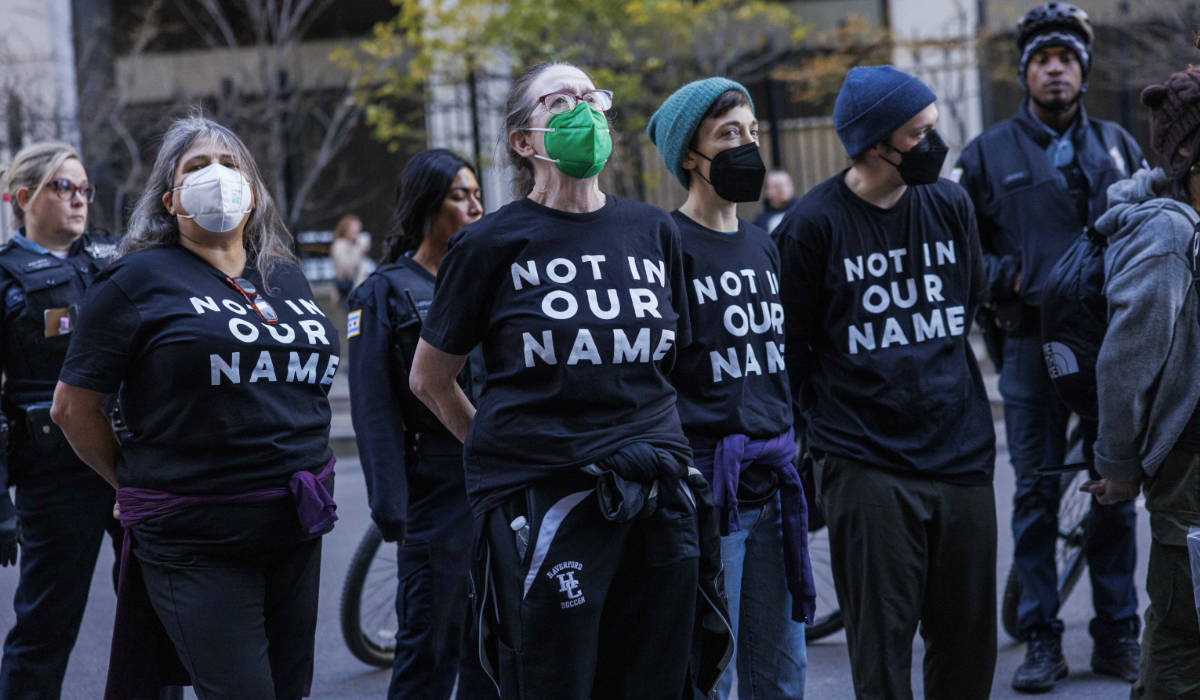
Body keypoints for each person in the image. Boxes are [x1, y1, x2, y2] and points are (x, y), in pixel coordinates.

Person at [408, 61, 727, 699]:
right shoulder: (490, 243)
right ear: (524, 142)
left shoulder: (652, 230)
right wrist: (506, 450)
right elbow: (430, 379)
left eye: (591, 97)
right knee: (557, 680)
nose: (583, 110)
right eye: (558, 101)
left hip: (656, 497)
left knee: (660, 678)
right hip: (549, 503)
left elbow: (669, 363)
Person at [50, 114, 340, 700]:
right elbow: (72, 409)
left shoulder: (283, 275)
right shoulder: (134, 280)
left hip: (293, 526)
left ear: (253, 191)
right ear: (170, 198)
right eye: (196, 167)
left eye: (230, 166)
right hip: (195, 537)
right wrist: (135, 483)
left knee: (289, 690)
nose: (217, 176)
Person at [776, 65, 997, 699]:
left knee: (966, 648)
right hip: (866, 462)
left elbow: (968, 304)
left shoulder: (950, 203)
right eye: (920, 132)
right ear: (877, 144)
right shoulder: (813, 224)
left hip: (962, 455)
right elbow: (792, 349)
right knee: (882, 650)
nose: (936, 142)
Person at [953, 3, 1146, 690]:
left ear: (1083, 70)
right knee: (1035, 493)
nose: (1055, 69)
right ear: (1025, 73)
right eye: (1042, 60)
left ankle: (1118, 631)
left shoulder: (1121, 146)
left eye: (1065, 58)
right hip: (1031, 348)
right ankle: (1040, 636)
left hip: (1110, 349)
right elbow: (963, 250)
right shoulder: (984, 155)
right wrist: (1008, 277)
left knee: (1115, 490)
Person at [648, 77, 813, 700]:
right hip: (708, 492)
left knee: (782, 672)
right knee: (709, 671)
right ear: (690, 156)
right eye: (728, 135)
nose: (747, 146)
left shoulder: (763, 244)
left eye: (751, 133)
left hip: (774, 485)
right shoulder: (665, 245)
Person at [345, 148, 494, 699]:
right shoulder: (383, 292)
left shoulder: (485, 279)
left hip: (496, 485)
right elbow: (373, 409)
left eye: (477, 194)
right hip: (433, 492)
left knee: (493, 647)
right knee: (431, 650)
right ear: (428, 207)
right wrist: (393, 509)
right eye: (460, 196)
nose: (475, 206)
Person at [1085, 64, 1200, 699]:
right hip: (1189, 474)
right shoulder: (1169, 234)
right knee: (1184, 638)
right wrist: (1119, 466)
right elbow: (1124, 366)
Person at [0, 142, 124, 699]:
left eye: (84, 189)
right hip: (54, 474)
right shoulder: (5, 278)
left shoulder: (116, 261)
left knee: (159, 618)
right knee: (45, 627)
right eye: (62, 187)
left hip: (129, 464)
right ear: (24, 197)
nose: (79, 200)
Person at [332, 213, 369, 306]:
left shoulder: (355, 244)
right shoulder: (340, 245)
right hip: (345, 290)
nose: (356, 231)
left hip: (355, 288)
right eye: (353, 228)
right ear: (346, 229)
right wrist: (359, 250)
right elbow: (346, 269)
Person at [752, 169, 797, 236]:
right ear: (767, 191)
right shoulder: (759, 222)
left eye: (786, 184)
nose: (782, 189)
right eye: (777, 186)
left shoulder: (801, 211)